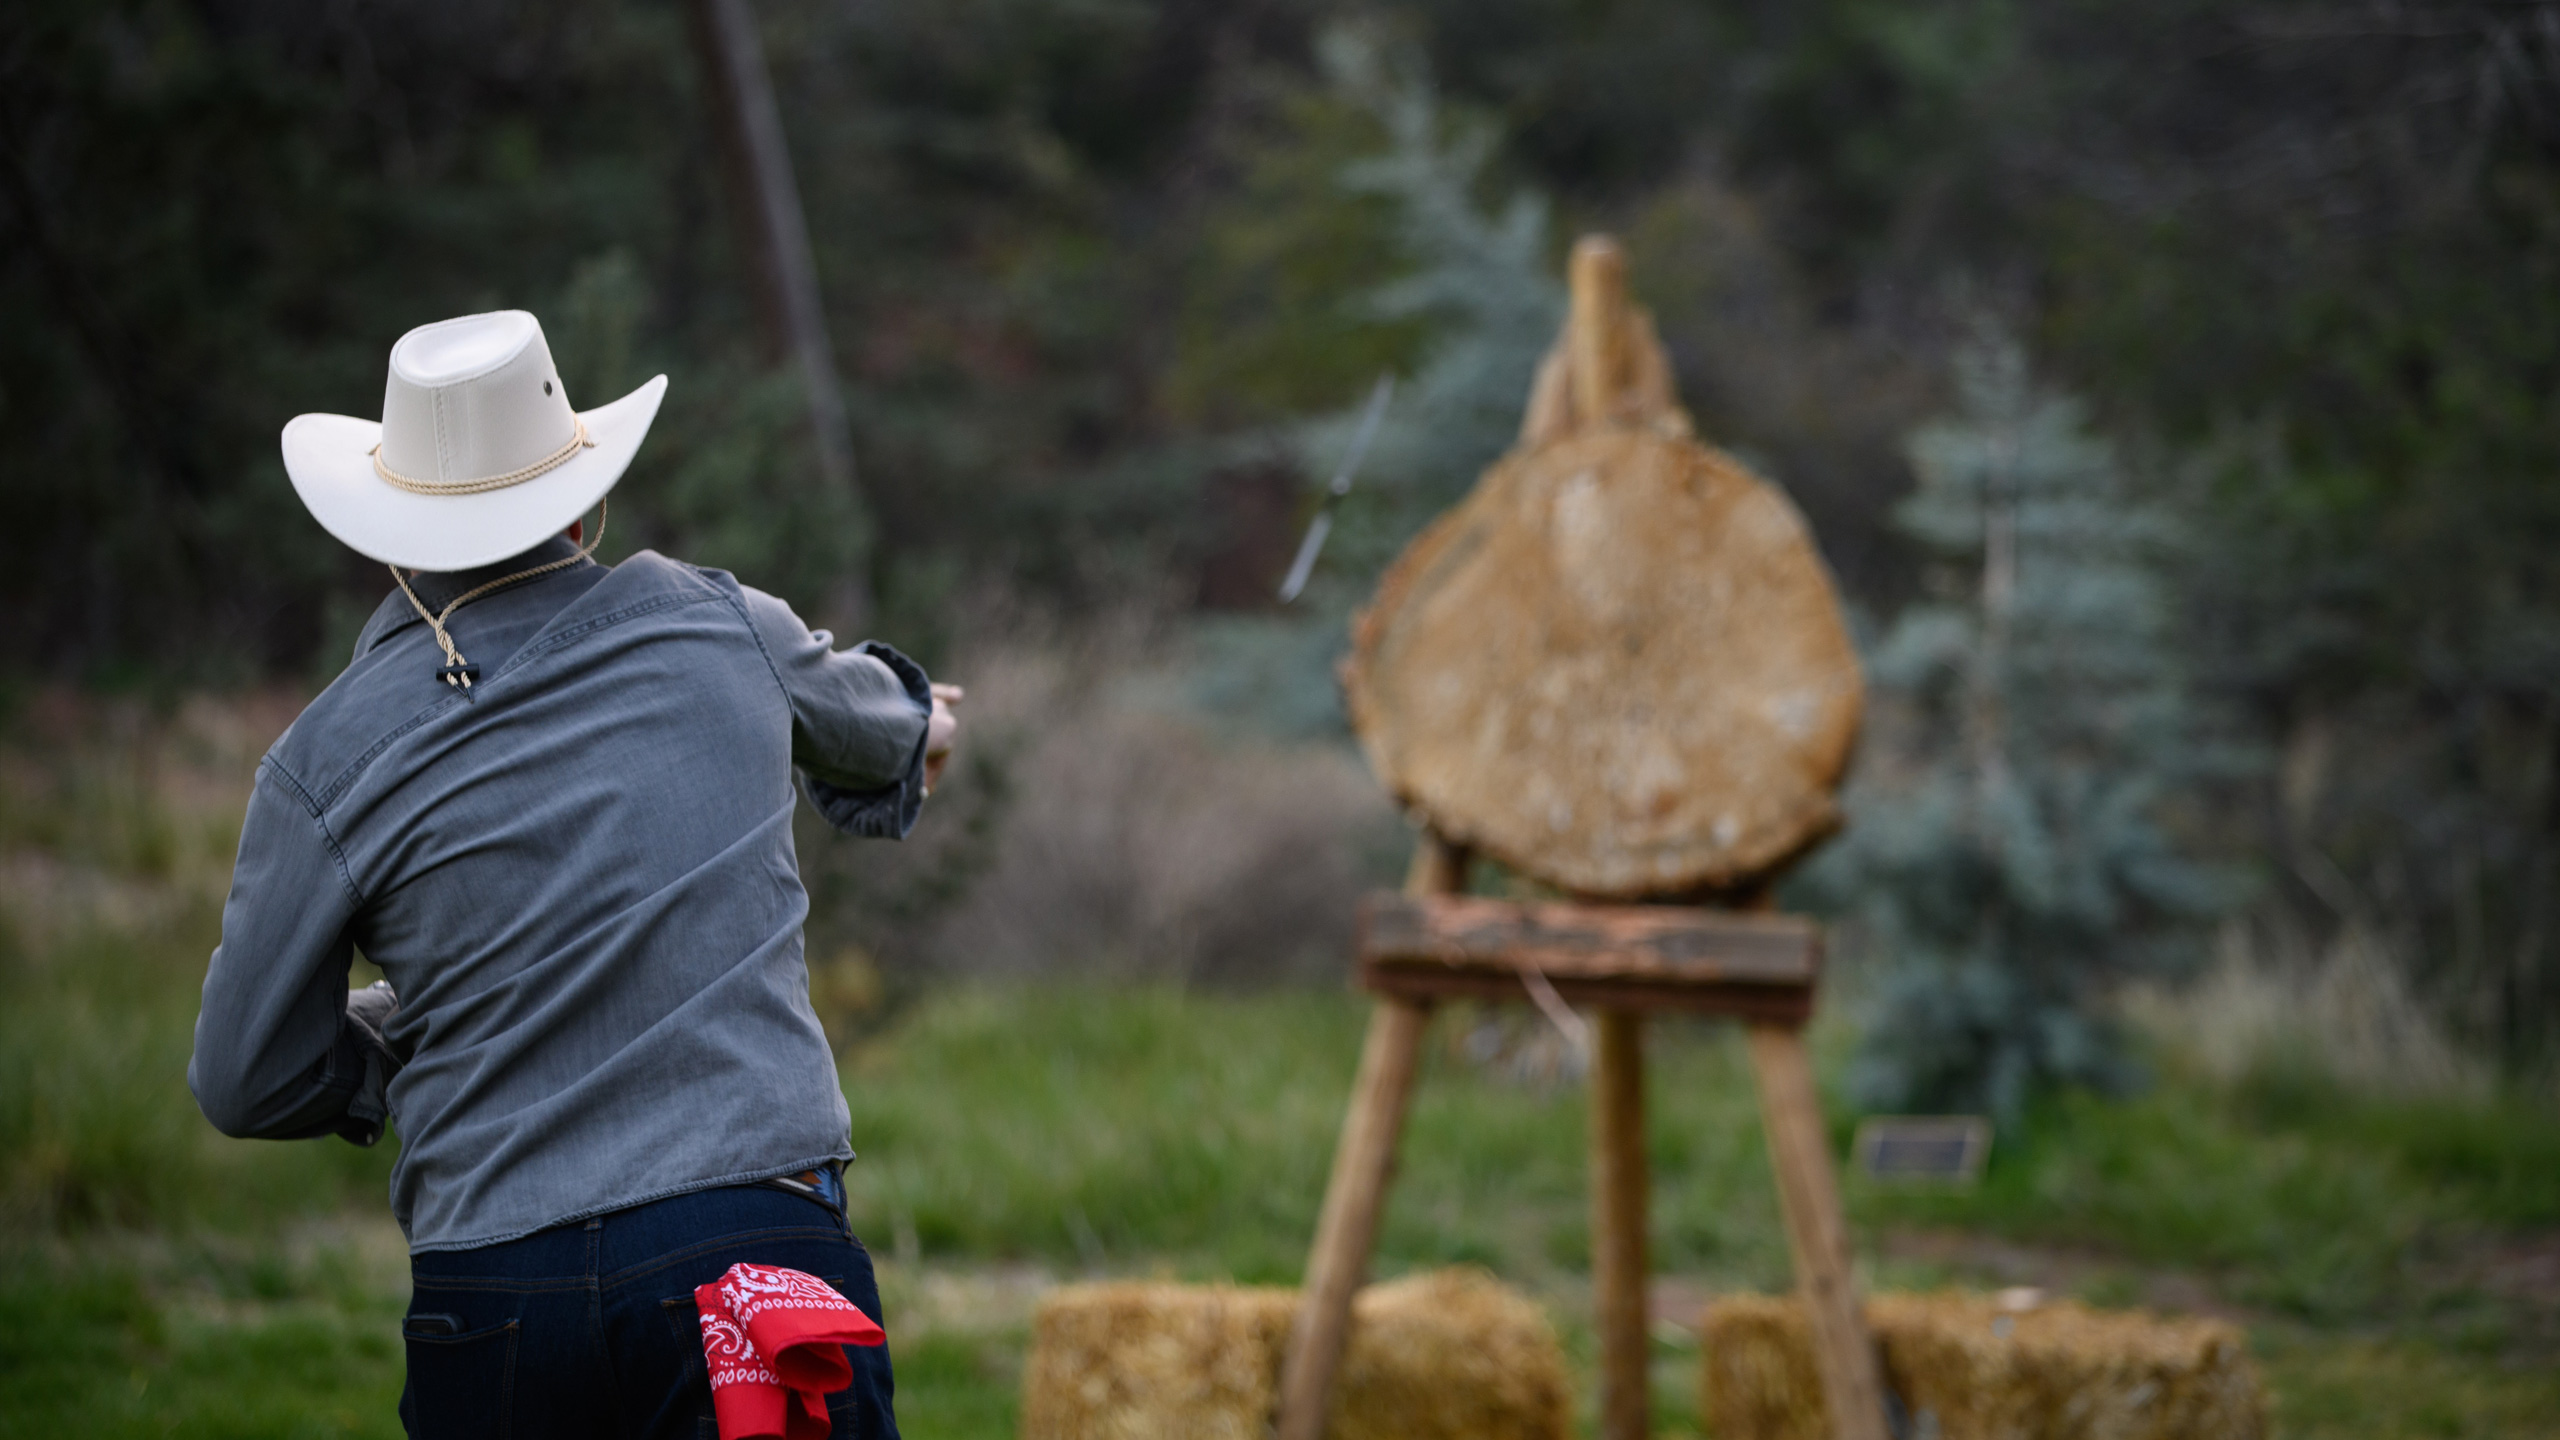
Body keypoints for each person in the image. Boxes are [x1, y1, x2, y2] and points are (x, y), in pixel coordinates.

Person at [187, 309, 951, 1439]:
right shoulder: (724, 625)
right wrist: (936, 723)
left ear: (389, 541)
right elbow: (887, 733)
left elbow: (246, 1078)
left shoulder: (320, 761)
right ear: (584, 504)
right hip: (752, 1266)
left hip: (496, 1298)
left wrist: (408, 1031)